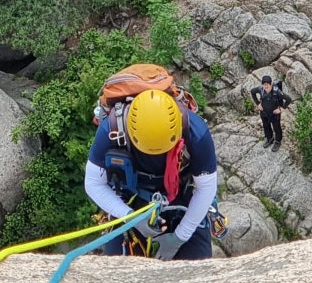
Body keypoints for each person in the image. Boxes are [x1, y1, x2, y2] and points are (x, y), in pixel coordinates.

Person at [84, 88, 219, 260]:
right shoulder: (111, 130)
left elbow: (206, 188)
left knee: (198, 268)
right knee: (117, 268)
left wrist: (179, 237)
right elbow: (94, 183)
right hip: (130, 198)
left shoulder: (195, 132)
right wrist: (130, 217)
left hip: (182, 195)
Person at [250, 75, 291, 149]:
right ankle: (269, 138)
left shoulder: (277, 91)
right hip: (264, 112)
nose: (266, 86)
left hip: (274, 114)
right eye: (264, 84)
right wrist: (258, 103)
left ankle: (278, 141)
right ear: (262, 84)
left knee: (276, 127)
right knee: (266, 126)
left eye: (267, 84)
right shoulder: (260, 89)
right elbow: (252, 92)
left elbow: (288, 99)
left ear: (271, 83)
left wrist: (281, 109)